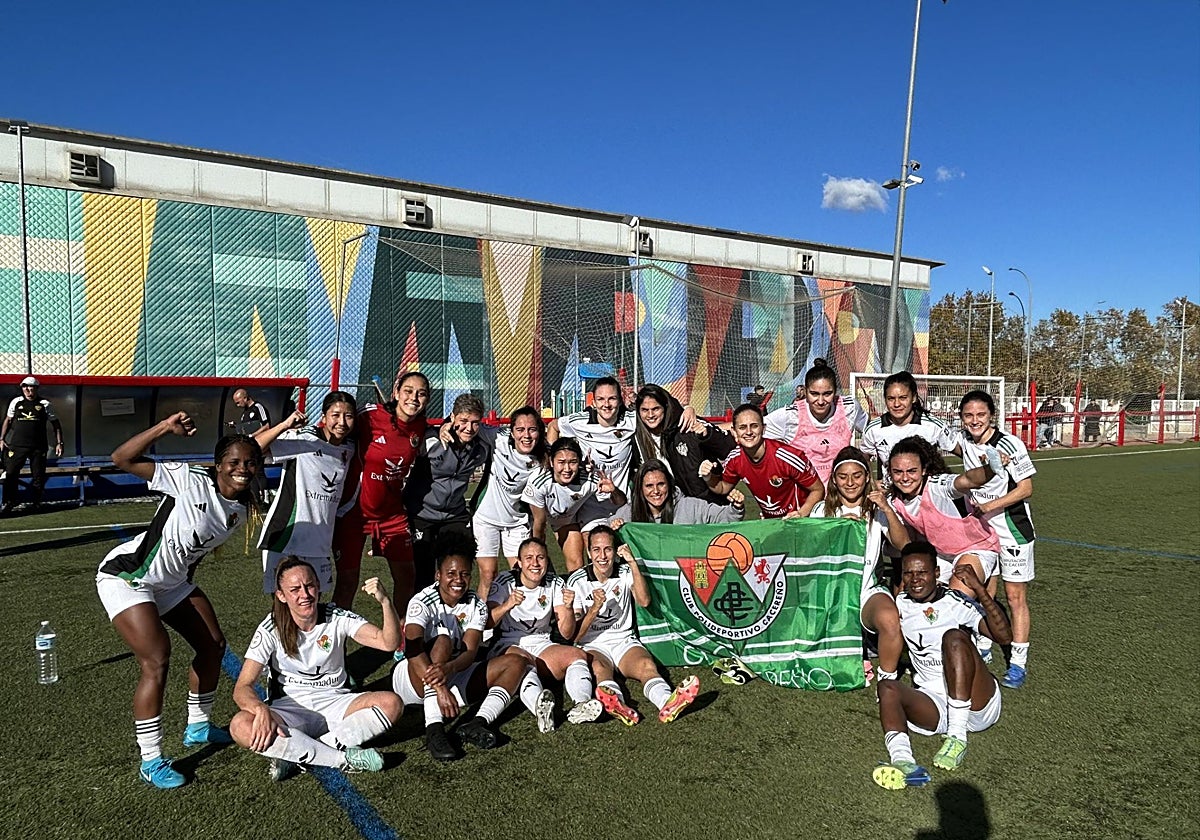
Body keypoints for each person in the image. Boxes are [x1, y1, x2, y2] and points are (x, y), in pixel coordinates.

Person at [94, 414, 261, 789]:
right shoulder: (189, 479)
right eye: (234, 462)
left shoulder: (240, 511)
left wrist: (182, 586)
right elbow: (121, 458)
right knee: (156, 659)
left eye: (250, 463)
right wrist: (164, 428)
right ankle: (150, 759)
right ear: (218, 465)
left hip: (171, 584)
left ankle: (198, 726)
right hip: (129, 576)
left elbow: (192, 554)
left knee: (213, 645)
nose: (242, 469)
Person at [230, 559, 400, 779]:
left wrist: (385, 602)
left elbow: (388, 643)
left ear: (318, 586)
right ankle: (342, 759)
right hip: (290, 710)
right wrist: (260, 709)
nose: (305, 594)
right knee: (240, 725)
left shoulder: (336, 616)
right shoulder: (271, 627)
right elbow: (242, 687)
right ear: (281, 595)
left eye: (309, 585)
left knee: (392, 704)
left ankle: (299, 752)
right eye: (295, 589)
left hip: (337, 703)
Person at [872, 543, 1012, 789]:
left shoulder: (955, 602)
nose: (915, 580)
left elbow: (1004, 636)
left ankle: (957, 738)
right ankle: (904, 762)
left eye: (922, 572)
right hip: (935, 703)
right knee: (886, 687)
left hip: (977, 704)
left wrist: (979, 589)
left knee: (954, 638)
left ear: (936, 573)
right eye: (908, 573)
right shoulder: (901, 603)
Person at [391, 533, 529, 760]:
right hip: (412, 679)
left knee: (516, 663)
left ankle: (477, 723)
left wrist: (449, 669)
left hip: (452, 673)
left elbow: (470, 651)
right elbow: (413, 649)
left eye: (465, 574)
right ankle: (434, 729)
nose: (458, 580)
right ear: (438, 575)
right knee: (443, 640)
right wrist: (440, 688)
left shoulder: (476, 604)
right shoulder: (421, 601)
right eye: (451, 574)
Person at [567, 526, 701, 725]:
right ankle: (618, 704)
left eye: (608, 549)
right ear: (588, 552)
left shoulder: (624, 571)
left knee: (647, 666)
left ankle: (667, 702)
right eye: (596, 550)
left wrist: (632, 563)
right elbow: (575, 636)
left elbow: (644, 601)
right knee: (602, 670)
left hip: (623, 640)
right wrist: (594, 609)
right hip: (592, 644)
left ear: (615, 551)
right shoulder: (577, 581)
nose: (602, 556)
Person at [955, 391, 1037, 688]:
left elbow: (1026, 489)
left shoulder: (1009, 444)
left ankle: (1018, 663)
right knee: (983, 589)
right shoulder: (963, 441)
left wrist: (990, 505)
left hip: (1012, 529)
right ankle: (984, 642)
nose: (975, 420)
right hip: (980, 531)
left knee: (1015, 597)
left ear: (992, 415)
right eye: (968, 415)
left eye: (981, 414)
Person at [332, 370, 429, 612]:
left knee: (407, 578)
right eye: (408, 391)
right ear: (396, 392)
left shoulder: (421, 427)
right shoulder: (369, 416)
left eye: (421, 394)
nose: (413, 398)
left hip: (391, 514)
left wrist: (446, 427)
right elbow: (337, 430)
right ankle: (337, 636)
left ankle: (401, 635)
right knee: (347, 582)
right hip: (354, 513)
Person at [811, 447, 904, 687]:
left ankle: (887, 682)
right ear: (834, 479)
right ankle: (857, 646)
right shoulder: (821, 510)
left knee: (890, 619)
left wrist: (887, 508)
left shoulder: (877, 508)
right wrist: (836, 527)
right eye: (843, 476)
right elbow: (811, 552)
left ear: (867, 477)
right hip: (831, 591)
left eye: (857, 475)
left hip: (867, 589)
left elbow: (903, 544)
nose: (850, 483)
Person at [487, 537, 604, 729]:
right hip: (507, 645)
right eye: (529, 558)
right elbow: (487, 623)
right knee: (522, 661)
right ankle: (540, 709)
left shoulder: (555, 583)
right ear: (519, 562)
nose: (535, 563)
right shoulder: (504, 581)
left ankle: (581, 704)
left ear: (547, 561)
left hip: (541, 643)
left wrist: (568, 608)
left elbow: (567, 634)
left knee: (577, 655)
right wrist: (507, 604)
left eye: (540, 558)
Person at [253, 392, 357, 595]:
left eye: (348, 416)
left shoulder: (351, 448)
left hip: (320, 543)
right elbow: (253, 448)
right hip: (286, 538)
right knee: (283, 604)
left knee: (312, 605)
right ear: (324, 417)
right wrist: (284, 426)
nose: (342, 422)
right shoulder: (305, 439)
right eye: (335, 415)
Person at [879, 436, 1002, 599]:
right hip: (941, 554)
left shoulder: (937, 485)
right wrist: (886, 509)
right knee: (908, 598)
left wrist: (991, 467)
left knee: (955, 600)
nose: (905, 478)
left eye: (912, 471)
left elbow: (968, 479)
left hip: (975, 548)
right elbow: (904, 544)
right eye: (898, 472)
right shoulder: (894, 500)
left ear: (924, 470)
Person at [404, 393, 497, 590]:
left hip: (454, 514)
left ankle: (456, 608)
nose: (469, 428)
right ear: (453, 417)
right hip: (421, 514)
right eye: (463, 421)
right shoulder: (430, 440)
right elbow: (406, 430)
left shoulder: (482, 448)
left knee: (460, 569)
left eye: (475, 422)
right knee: (422, 575)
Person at [699, 402, 825, 519]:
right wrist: (708, 477)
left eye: (754, 426)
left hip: (799, 521)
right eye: (742, 427)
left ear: (763, 429)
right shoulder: (735, 459)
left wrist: (801, 514)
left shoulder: (787, 457)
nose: (749, 432)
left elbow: (818, 490)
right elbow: (722, 488)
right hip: (770, 522)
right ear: (734, 432)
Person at [471, 406, 547, 599]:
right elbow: (470, 423)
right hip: (486, 518)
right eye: (520, 429)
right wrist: (447, 424)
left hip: (517, 522)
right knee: (488, 575)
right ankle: (481, 617)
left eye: (532, 429)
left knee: (522, 575)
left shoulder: (544, 459)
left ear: (539, 431)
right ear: (512, 432)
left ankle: (520, 617)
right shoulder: (498, 438)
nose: (526, 435)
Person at [521, 437, 625, 572]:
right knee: (532, 563)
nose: (567, 469)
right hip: (535, 519)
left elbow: (620, 502)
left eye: (573, 462)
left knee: (577, 566)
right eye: (561, 462)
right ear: (551, 462)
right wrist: (538, 549)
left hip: (566, 521)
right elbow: (539, 523)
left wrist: (613, 491)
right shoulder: (539, 483)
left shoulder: (589, 480)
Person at [763, 358, 864, 484]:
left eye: (827, 394)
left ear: (835, 391)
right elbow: (751, 431)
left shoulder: (849, 407)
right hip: (805, 493)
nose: (820, 401)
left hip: (840, 492)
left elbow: (872, 430)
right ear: (805, 392)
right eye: (814, 394)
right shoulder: (790, 416)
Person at [632, 383, 734, 504]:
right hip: (667, 506)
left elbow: (728, 448)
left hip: (708, 503)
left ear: (665, 407)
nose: (650, 415)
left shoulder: (687, 423)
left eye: (656, 409)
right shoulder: (635, 436)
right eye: (644, 410)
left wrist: (707, 434)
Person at [860, 371, 955, 475]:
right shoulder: (873, 429)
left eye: (903, 398)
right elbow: (863, 459)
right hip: (892, 486)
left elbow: (960, 448)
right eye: (891, 399)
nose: (896, 404)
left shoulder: (932, 425)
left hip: (926, 485)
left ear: (913, 397)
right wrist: (872, 482)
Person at [609, 460, 744, 528]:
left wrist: (736, 507)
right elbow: (606, 530)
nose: (656, 491)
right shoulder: (629, 512)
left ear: (669, 484)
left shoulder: (690, 507)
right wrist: (614, 526)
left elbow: (724, 517)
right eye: (649, 486)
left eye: (661, 484)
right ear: (640, 489)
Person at [2, 375, 64, 514]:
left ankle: (36, 503)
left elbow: (55, 424)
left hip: (38, 446)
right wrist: (2, 439)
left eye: (31, 387)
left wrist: (59, 443)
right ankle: (9, 502)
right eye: (25, 387)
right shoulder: (16, 402)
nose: (28, 390)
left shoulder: (44, 404)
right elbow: (8, 420)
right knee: (10, 473)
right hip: (17, 445)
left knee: (38, 475)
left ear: (36, 388)